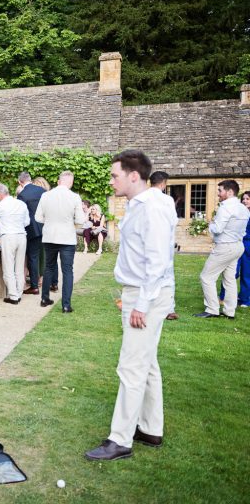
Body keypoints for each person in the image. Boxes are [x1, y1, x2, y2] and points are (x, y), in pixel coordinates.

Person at [85, 149, 177, 461]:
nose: (111, 181)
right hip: (145, 291)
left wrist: (142, 303)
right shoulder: (152, 202)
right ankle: (151, 428)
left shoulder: (150, 207)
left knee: (131, 366)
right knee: (147, 363)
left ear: (133, 175)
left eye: (115, 175)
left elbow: (158, 260)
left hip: (145, 294)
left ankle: (120, 439)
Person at [194, 180, 250, 319]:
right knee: (229, 279)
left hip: (225, 247)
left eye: (220, 191)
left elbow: (218, 229)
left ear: (230, 192)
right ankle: (229, 311)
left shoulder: (225, 207)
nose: (218, 194)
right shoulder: (243, 208)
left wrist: (210, 224)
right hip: (238, 246)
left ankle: (212, 309)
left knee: (206, 277)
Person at [34, 171, 85, 313]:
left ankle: (44, 298)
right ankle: (66, 305)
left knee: (49, 267)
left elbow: (38, 217)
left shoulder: (46, 195)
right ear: (71, 182)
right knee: (67, 270)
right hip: (67, 238)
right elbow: (80, 221)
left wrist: (50, 222)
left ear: (58, 181)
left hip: (49, 236)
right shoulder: (74, 197)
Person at [0, 183, 30, 304]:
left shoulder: (1, 205)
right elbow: (27, 222)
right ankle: (19, 293)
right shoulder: (21, 204)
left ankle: (13, 296)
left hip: (9, 236)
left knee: (8, 267)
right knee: (19, 267)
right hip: (21, 236)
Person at [150, 171, 180, 320]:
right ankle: (169, 309)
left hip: (148, 243)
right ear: (163, 183)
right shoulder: (167, 200)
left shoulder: (142, 199)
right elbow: (174, 221)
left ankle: (149, 305)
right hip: (164, 243)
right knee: (167, 276)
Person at [15, 172, 45, 295]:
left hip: (31, 230)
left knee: (32, 257)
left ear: (19, 182)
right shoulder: (42, 190)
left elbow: (21, 215)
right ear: (30, 179)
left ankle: (34, 286)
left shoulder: (22, 195)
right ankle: (53, 283)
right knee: (48, 255)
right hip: (45, 226)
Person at [238, 190, 250, 307]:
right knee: (233, 272)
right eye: (243, 199)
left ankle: (245, 299)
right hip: (237, 243)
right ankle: (224, 296)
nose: (245, 201)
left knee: (246, 273)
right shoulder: (239, 212)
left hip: (248, 245)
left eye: (247, 199)